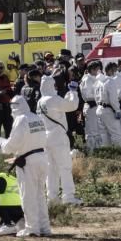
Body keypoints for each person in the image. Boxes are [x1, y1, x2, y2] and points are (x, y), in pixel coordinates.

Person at [1, 94, 50, 237]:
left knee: (28, 196)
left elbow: (13, 143)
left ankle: (32, 228)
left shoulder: (20, 120)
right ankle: (44, 227)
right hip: (42, 158)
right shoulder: (36, 117)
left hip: (28, 162)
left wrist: (2, 146)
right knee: (40, 195)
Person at [37, 74, 82, 205]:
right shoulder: (53, 99)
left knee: (51, 169)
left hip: (45, 138)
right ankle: (68, 196)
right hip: (58, 137)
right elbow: (72, 106)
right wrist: (73, 92)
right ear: (51, 85)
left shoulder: (41, 101)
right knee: (65, 167)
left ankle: (52, 197)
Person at [96, 62, 121, 148]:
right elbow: (113, 98)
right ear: (110, 70)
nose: (115, 73)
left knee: (104, 134)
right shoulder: (110, 81)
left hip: (99, 108)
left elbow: (96, 96)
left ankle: (107, 152)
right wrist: (117, 110)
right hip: (109, 110)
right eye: (115, 71)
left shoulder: (99, 81)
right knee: (116, 133)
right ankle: (120, 153)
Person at [81, 61, 104, 151]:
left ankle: (97, 149)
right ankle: (91, 150)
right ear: (92, 69)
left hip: (96, 106)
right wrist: (99, 96)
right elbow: (87, 95)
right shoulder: (87, 79)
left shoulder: (94, 79)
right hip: (91, 106)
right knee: (91, 130)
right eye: (98, 69)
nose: (99, 71)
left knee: (97, 130)